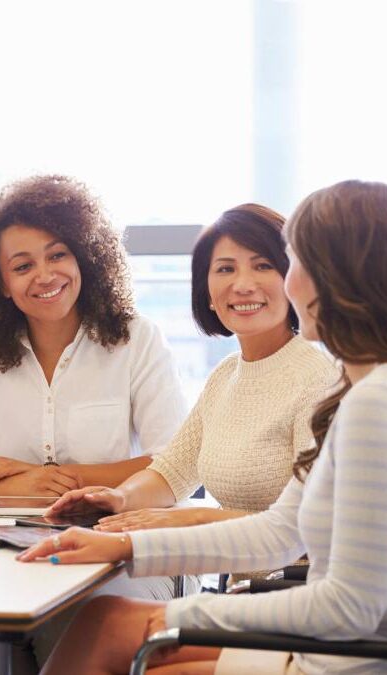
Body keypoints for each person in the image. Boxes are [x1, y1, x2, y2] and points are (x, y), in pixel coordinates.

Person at [19, 180, 387, 675]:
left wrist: (181, 615)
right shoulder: (373, 389)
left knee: (126, 643)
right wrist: (125, 545)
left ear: (336, 277)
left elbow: (349, 608)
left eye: (288, 263)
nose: (286, 282)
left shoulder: (379, 404)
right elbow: (281, 531)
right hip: (343, 649)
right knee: (103, 621)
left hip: (350, 663)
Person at [0, 174, 188, 674]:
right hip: (7, 552)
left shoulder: (136, 340)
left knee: (69, 624)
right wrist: (12, 484)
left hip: (120, 551)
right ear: (1, 284)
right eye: (22, 265)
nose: (45, 274)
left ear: (84, 258)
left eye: (57, 255)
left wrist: (58, 480)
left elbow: (174, 464)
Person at [46, 204, 337, 573]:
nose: (243, 284)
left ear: (293, 279)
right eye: (225, 269)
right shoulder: (226, 375)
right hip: (240, 586)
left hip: (296, 586)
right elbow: (172, 472)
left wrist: (190, 519)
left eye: (263, 265)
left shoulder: (317, 379)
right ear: (208, 292)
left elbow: (309, 526)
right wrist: (120, 498)